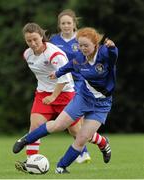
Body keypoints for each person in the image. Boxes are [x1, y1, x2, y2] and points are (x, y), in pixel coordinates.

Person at [13, 27, 118, 174]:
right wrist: (57, 73)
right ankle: (25, 140)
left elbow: (113, 57)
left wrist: (112, 48)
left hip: (102, 105)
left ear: (95, 44)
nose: (82, 49)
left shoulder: (105, 54)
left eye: (86, 45)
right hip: (83, 98)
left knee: (81, 138)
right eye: (80, 45)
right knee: (57, 125)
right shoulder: (79, 57)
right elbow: (69, 66)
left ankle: (61, 166)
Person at [50, 9, 111, 163]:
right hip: (63, 84)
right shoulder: (54, 41)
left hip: (81, 83)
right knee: (72, 124)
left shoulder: (81, 39)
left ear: (74, 24)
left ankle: (83, 152)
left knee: (76, 123)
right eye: (63, 23)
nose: (66, 26)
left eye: (69, 23)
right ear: (59, 25)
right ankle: (100, 143)